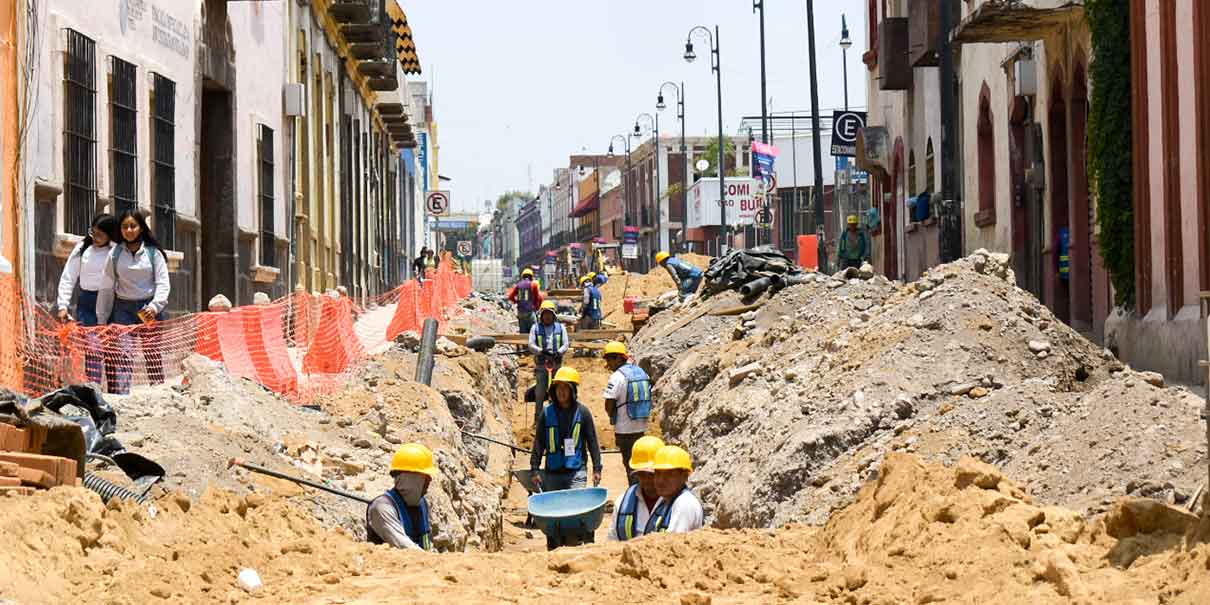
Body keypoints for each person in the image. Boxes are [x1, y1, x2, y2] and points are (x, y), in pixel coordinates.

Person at [100, 210, 171, 394]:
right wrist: (102, 319)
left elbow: (163, 283)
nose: (129, 230)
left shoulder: (153, 254)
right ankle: (123, 397)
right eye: (125, 227)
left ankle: (159, 393)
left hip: (148, 310)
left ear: (140, 228)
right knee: (124, 354)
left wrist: (155, 307)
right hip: (123, 310)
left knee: (152, 352)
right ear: (120, 229)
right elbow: (107, 287)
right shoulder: (114, 254)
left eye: (133, 226)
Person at [56, 214, 119, 384]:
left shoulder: (116, 251)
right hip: (87, 303)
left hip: (110, 302)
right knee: (93, 348)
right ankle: (94, 388)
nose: (95, 238)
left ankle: (117, 393)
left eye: (100, 235)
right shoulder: (82, 249)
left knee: (113, 349)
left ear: (110, 234)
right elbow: (68, 277)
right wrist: (63, 305)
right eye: (93, 233)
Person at [530, 367, 602, 494]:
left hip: (576, 472)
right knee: (556, 511)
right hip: (553, 472)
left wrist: (597, 469)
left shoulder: (583, 413)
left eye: (565, 388)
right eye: (558, 388)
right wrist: (535, 469)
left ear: (572, 390)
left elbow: (592, 442)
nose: (561, 392)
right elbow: (539, 443)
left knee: (575, 509)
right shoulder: (546, 413)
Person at [366, 443, 437, 551]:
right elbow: (406, 549)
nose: (429, 480)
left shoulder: (422, 504)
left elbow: (426, 544)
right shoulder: (382, 508)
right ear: (408, 477)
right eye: (425, 476)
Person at [601, 341, 652, 485]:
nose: (608, 363)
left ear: (619, 358)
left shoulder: (617, 377)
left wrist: (612, 416)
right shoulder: (641, 372)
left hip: (624, 429)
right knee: (640, 465)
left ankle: (635, 497)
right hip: (641, 428)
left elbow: (609, 403)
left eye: (610, 358)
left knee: (631, 467)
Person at [608, 435, 665, 541]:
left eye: (652, 474)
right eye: (642, 474)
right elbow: (612, 543)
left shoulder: (678, 505)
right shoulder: (622, 503)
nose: (647, 480)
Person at [645, 445, 704, 534]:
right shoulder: (664, 500)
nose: (661, 480)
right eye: (658, 473)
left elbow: (673, 543)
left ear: (684, 476)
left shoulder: (685, 503)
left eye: (669, 474)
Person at [528, 300, 568, 429]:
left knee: (558, 393)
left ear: (554, 315)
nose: (547, 316)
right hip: (541, 367)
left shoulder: (561, 328)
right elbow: (531, 345)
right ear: (541, 315)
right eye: (545, 314)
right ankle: (538, 420)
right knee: (539, 393)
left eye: (549, 314)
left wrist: (559, 352)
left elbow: (566, 344)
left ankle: (558, 417)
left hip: (556, 366)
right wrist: (541, 351)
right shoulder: (535, 328)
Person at [508, 268, 542, 335]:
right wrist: (536, 307)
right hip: (530, 312)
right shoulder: (533, 285)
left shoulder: (518, 285)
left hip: (520, 312)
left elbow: (510, 297)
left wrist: (517, 302)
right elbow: (538, 298)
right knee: (534, 332)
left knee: (523, 333)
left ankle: (524, 345)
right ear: (531, 277)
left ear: (522, 276)